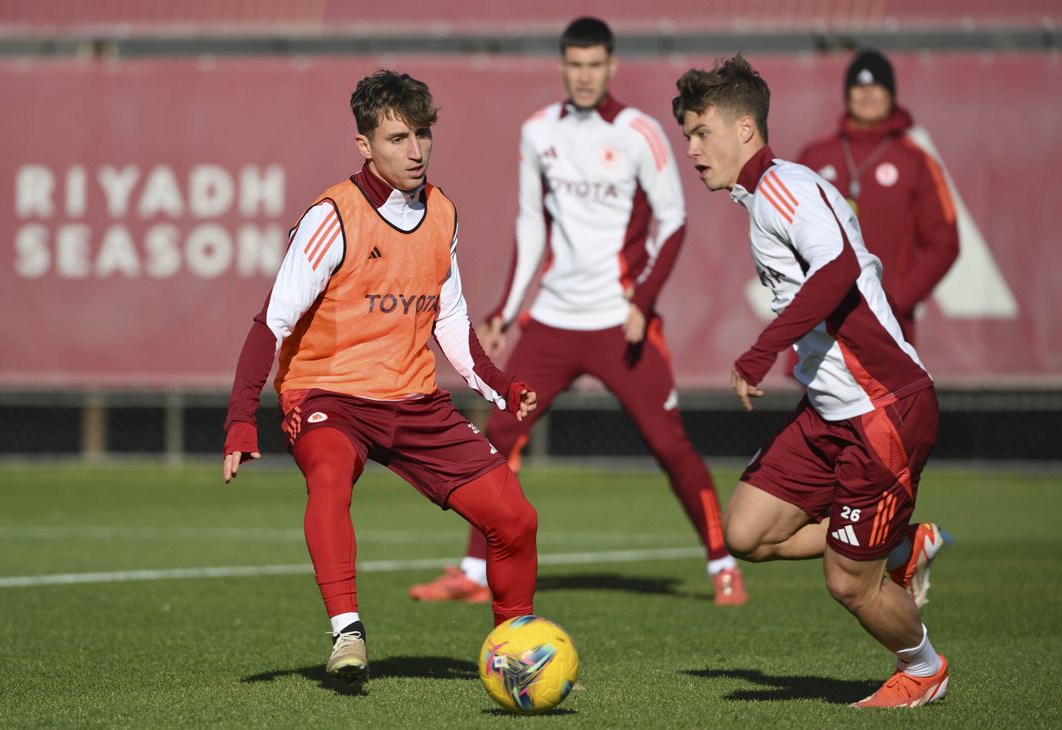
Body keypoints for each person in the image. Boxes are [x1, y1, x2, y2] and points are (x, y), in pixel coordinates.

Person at [409, 17, 747, 607]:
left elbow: (673, 220)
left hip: (620, 321)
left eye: (595, 64)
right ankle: (474, 570)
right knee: (499, 432)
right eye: (575, 64)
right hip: (554, 321)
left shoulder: (640, 132)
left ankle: (722, 565)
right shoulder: (539, 130)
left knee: (669, 445)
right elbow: (530, 225)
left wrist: (644, 300)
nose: (585, 75)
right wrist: (507, 309)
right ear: (563, 67)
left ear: (611, 66)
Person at [222, 70, 540, 683]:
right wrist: (240, 418)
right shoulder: (332, 216)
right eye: (398, 138)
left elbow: (451, 319)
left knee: (516, 520)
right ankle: (348, 633)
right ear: (364, 144)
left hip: (414, 400)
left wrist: (500, 384)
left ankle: (517, 653)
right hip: (329, 394)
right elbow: (271, 323)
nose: (416, 151)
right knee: (330, 477)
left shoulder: (442, 212)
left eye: (423, 134)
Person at [673, 55, 949, 707]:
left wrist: (760, 352)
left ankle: (924, 669)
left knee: (848, 582)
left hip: (883, 410)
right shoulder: (763, 197)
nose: (692, 149)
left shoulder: (782, 188)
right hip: (830, 410)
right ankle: (900, 543)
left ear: (745, 129)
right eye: (687, 135)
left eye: (702, 132)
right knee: (746, 533)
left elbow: (839, 268)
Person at [798, 49, 958, 344]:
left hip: (886, 326)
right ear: (847, 95)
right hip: (820, 326)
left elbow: (944, 242)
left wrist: (898, 298)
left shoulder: (915, 161)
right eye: (859, 87)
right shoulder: (815, 156)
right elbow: (787, 231)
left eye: (876, 87)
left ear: (891, 94)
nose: (867, 95)